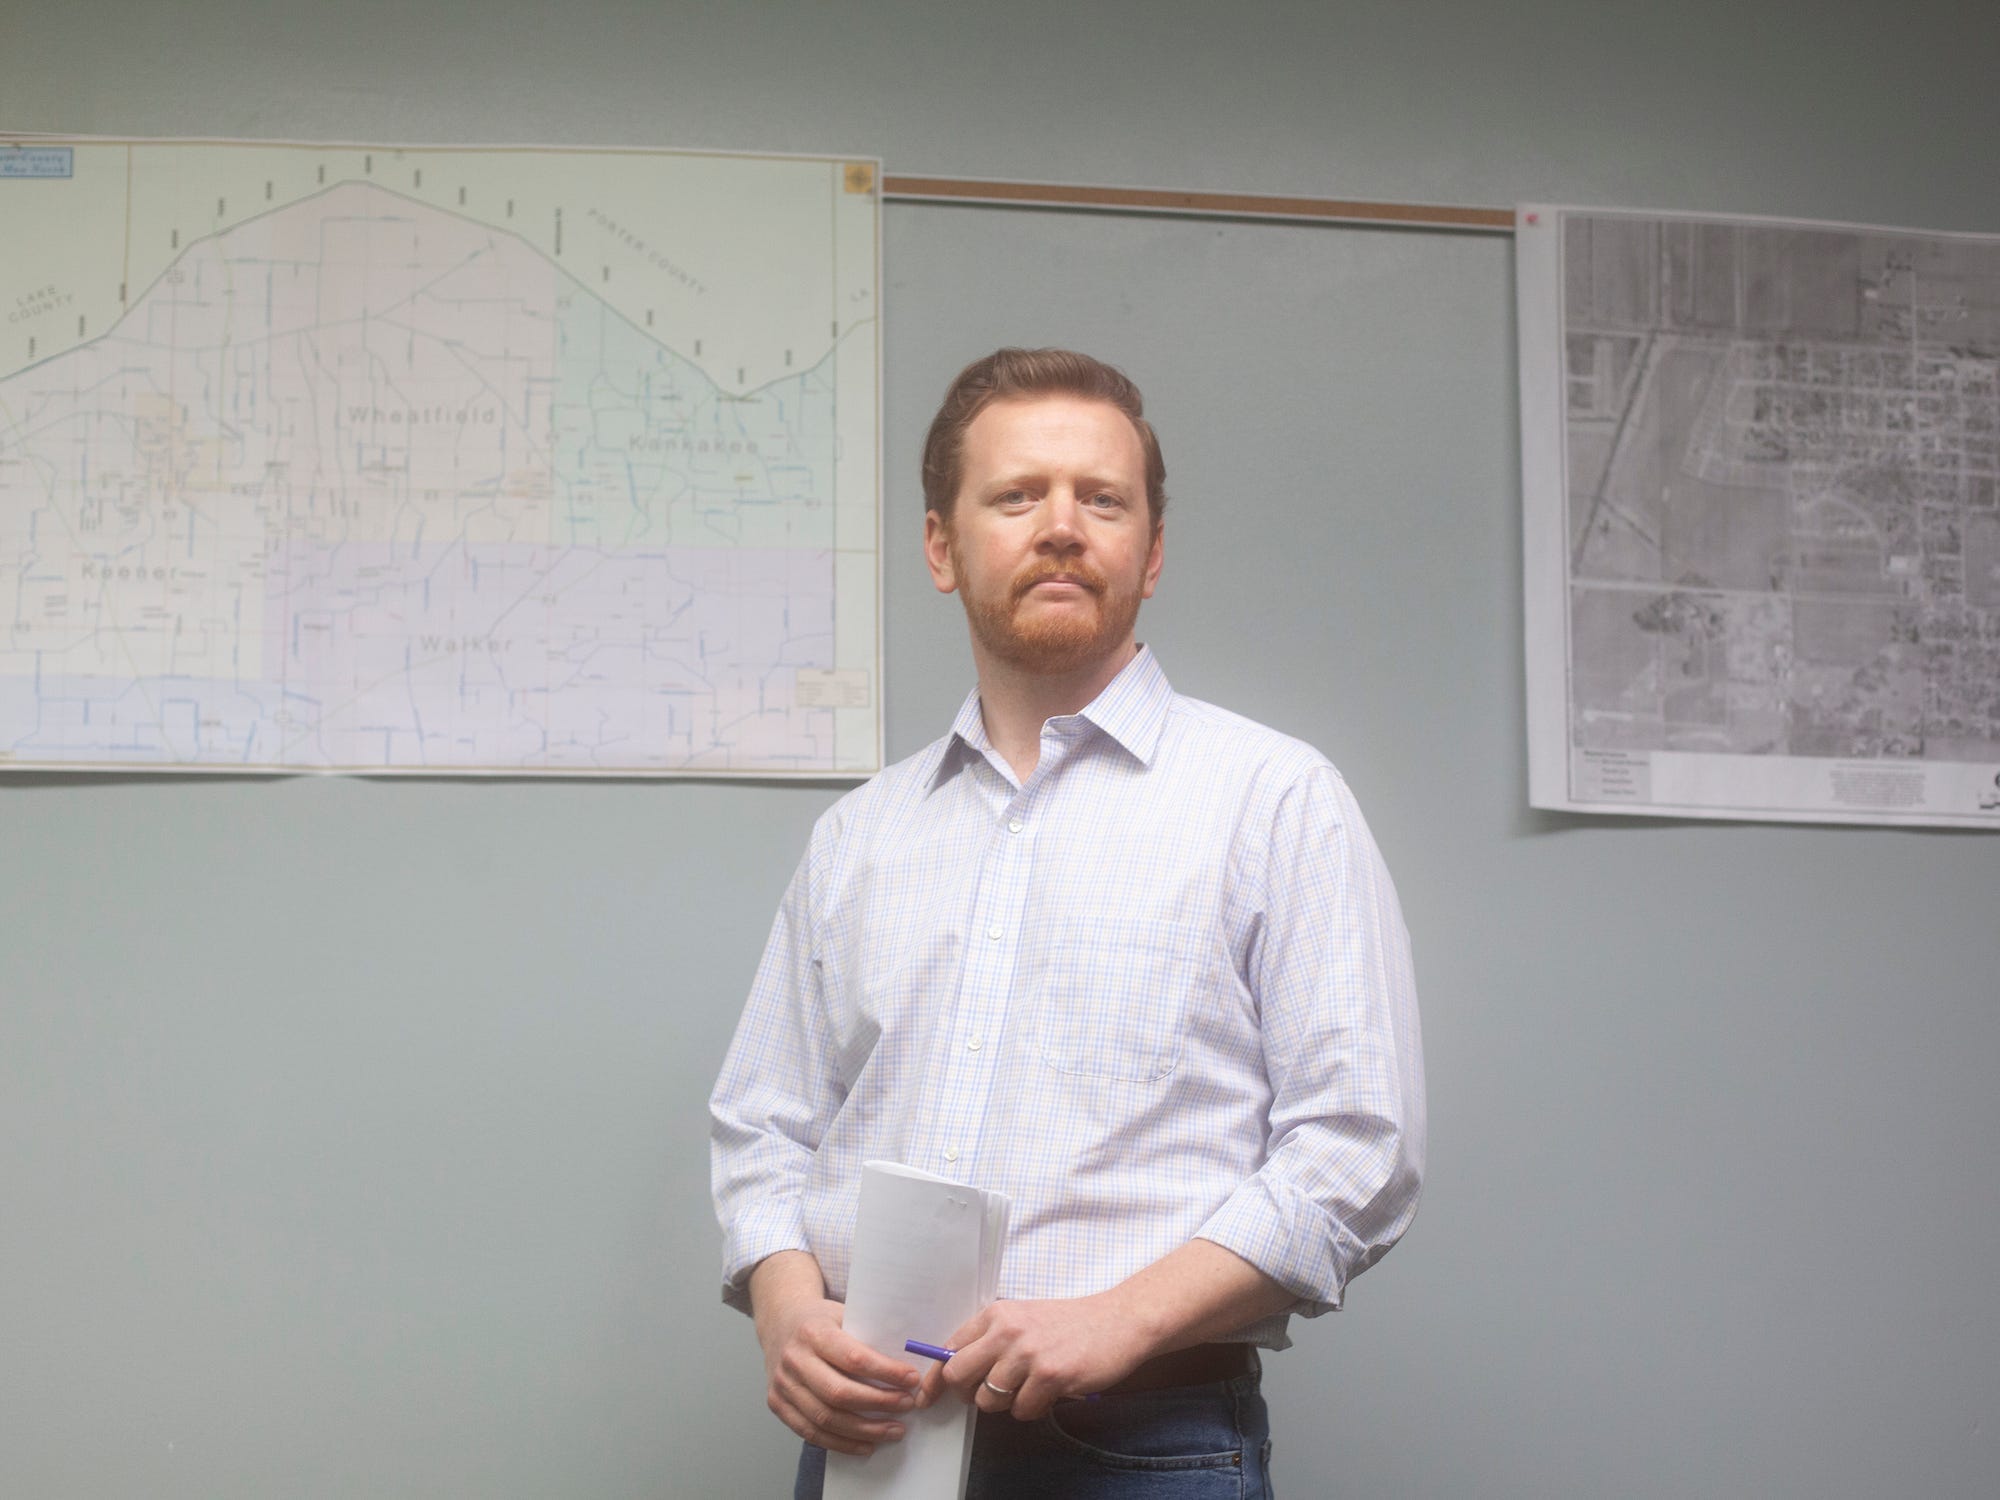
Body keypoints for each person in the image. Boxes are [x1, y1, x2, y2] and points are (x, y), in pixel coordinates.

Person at [710, 348, 1425, 1497]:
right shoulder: (860, 835)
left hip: (1143, 1441)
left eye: (1101, 499)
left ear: (1149, 552)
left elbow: (1355, 1150)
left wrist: (1117, 1320)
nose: (1060, 527)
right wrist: (786, 1312)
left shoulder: (1271, 799)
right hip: (870, 1438)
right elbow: (762, 1123)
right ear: (941, 548)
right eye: (1015, 496)